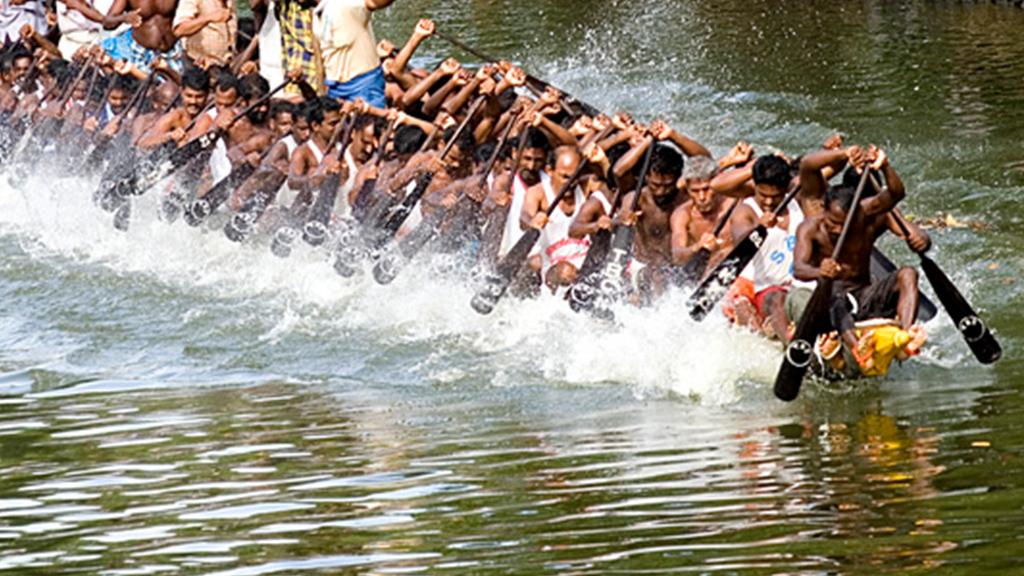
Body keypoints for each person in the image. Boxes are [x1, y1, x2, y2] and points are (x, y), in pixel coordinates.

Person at [793, 147, 927, 368]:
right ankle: (859, 350)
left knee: (908, 273)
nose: (837, 229)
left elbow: (895, 194)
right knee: (836, 298)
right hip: (832, 302)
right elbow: (799, 268)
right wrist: (820, 272)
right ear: (823, 209)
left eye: (843, 224)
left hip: (864, 294)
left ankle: (903, 339)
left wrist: (884, 166)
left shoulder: (866, 211)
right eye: (832, 223)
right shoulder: (810, 227)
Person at [723, 154, 803, 340]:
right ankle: (787, 342)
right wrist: (758, 228)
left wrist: (845, 155)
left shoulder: (797, 198)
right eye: (763, 195)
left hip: (794, 284)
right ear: (755, 188)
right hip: (757, 286)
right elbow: (740, 240)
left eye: (775, 197)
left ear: (786, 189)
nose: (768, 202)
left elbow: (822, 172)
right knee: (770, 302)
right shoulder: (746, 211)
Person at [521, 145, 593, 290]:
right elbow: (524, 218)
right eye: (565, 177)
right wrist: (532, 221)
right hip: (552, 267)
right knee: (565, 271)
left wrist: (602, 160)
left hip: (584, 264)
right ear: (549, 171)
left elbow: (616, 179)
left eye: (575, 177)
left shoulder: (587, 186)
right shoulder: (538, 193)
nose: (571, 183)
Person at [318, 0, 395, 108]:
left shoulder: (346, 4)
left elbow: (373, 3)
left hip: (364, 85)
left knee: (370, 123)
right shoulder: (317, 13)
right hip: (335, 89)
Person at [669, 154, 733, 271]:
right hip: (701, 273)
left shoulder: (734, 204)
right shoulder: (683, 214)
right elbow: (677, 256)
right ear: (687, 188)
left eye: (706, 189)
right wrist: (697, 246)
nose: (702, 197)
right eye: (695, 191)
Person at [102, 0, 184, 73]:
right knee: (150, 89)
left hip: (172, 49)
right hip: (142, 52)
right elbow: (107, 22)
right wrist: (123, 18)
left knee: (182, 86)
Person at [171, 0, 236, 67]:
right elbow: (179, 29)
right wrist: (208, 18)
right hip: (197, 65)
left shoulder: (230, 2)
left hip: (225, 66)